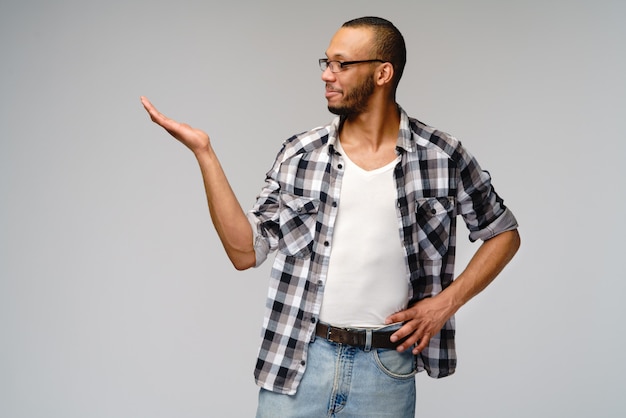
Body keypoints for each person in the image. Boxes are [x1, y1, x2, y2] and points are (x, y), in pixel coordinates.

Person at [141, 16, 520, 418]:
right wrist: (205, 154)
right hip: (300, 361)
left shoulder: (442, 155)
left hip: (385, 370)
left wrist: (445, 304)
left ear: (382, 73)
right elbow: (244, 252)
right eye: (325, 62)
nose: (327, 74)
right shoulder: (301, 153)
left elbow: (504, 233)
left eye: (341, 64)